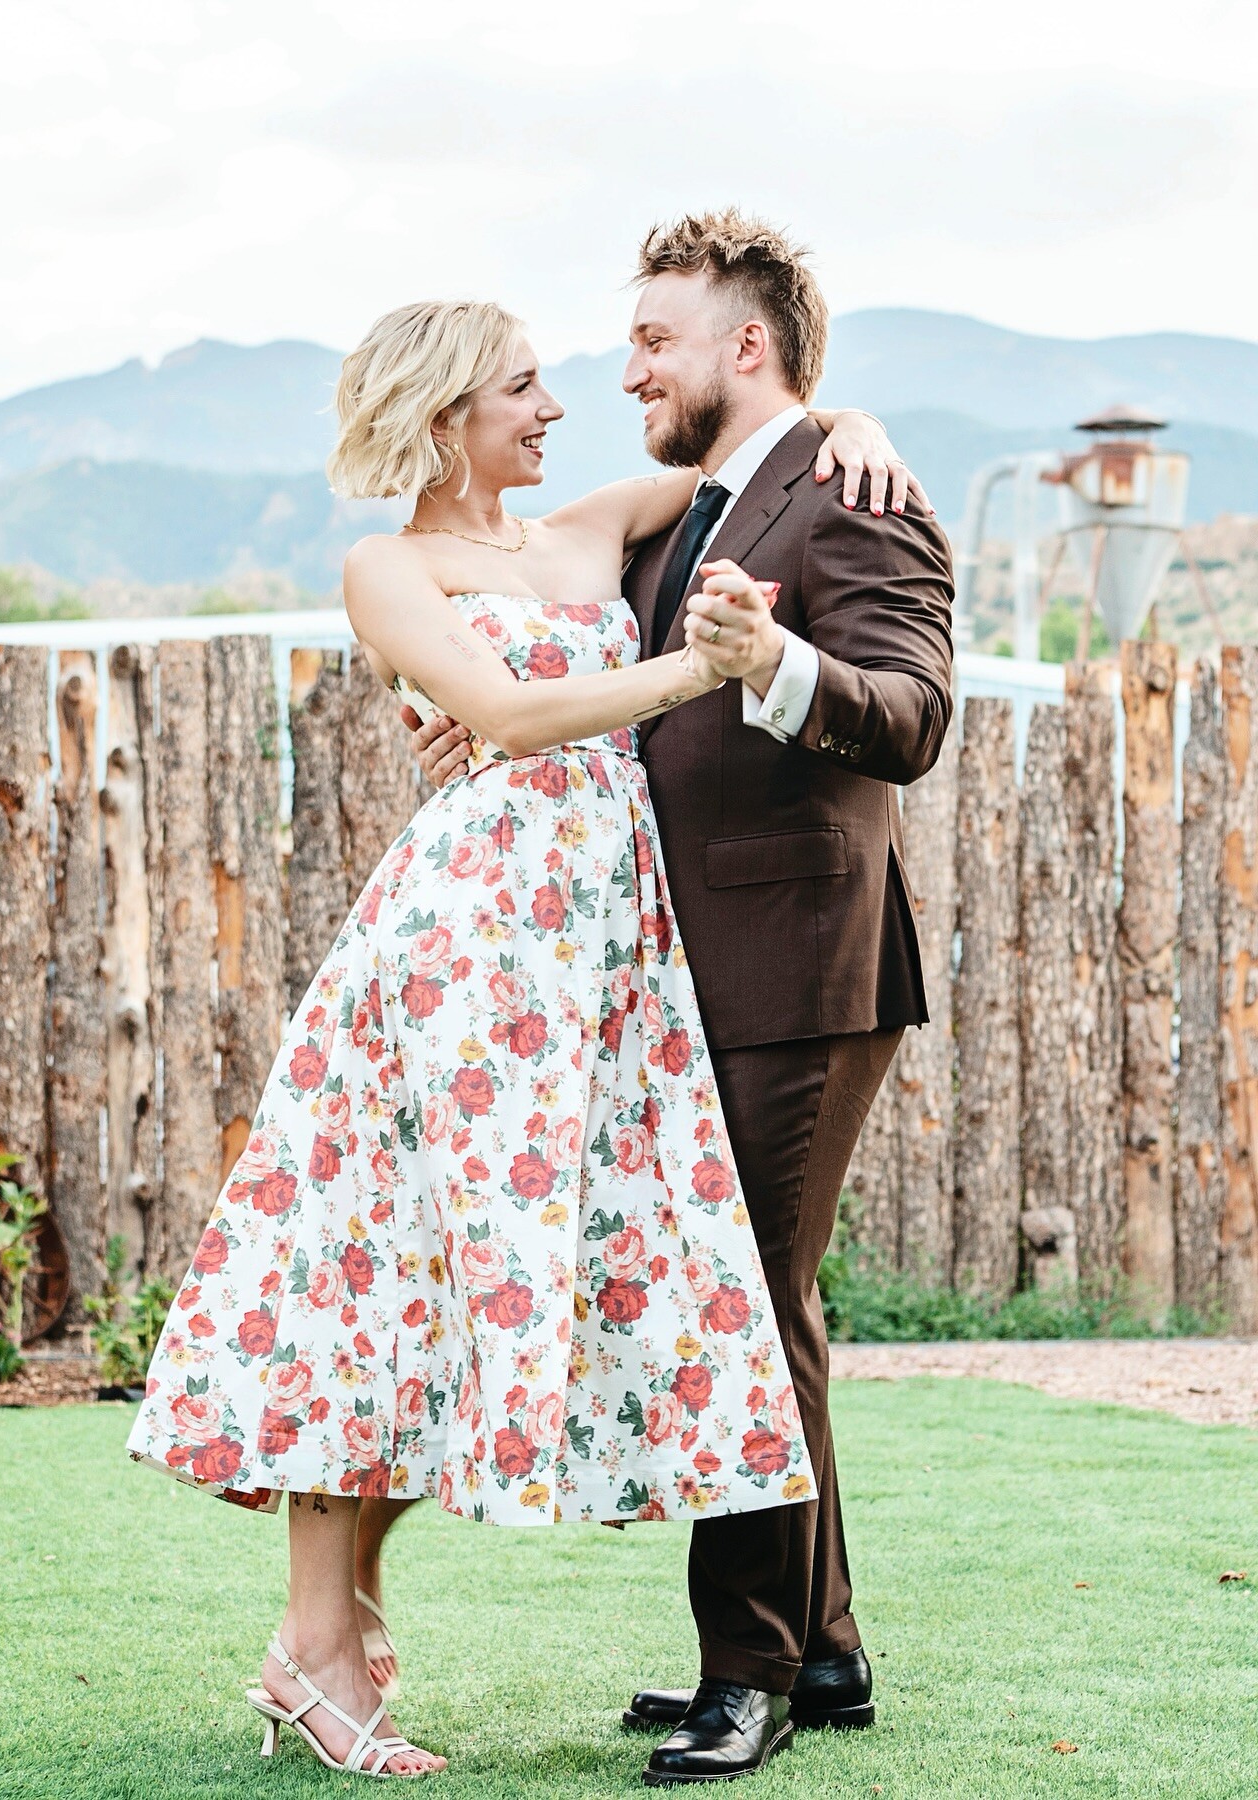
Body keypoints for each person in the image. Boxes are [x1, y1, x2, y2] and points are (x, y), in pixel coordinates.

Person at [126, 288, 917, 1782]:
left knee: (507, 1281)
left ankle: (342, 1629)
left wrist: (855, 423)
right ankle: (320, 1639)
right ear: (446, 416)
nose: (558, 409)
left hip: (605, 955)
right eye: (524, 387)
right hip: (473, 947)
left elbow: (763, 457)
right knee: (390, 1261)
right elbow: (507, 713)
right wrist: (704, 668)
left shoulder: (592, 528)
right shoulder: (388, 565)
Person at [398, 211, 955, 1786]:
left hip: (802, 961)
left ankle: (747, 1673)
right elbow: (587, 673)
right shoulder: (686, 512)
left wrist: (774, 664)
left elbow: (913, 715)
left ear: (745, 346)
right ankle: (825, 1649)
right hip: (675, 974)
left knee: (744, 1305)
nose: (628, 367)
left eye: (654, 338)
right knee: (770, 1299)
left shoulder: (853, 495)